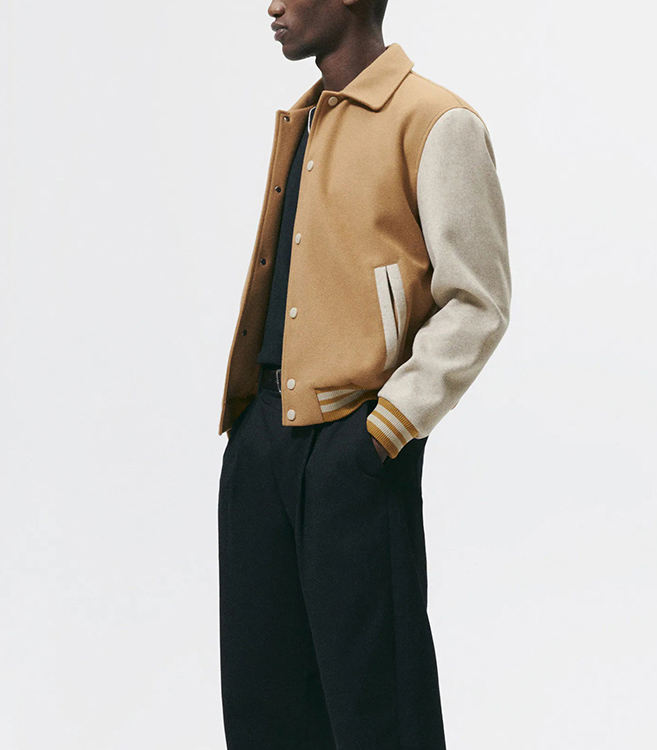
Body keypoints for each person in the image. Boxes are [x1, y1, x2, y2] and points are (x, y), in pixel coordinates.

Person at [216, 0, 512, 747]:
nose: (272, 7)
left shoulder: (435, 121)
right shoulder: (308, 117)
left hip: (354, 445)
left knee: (379, 712)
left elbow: (478, 301)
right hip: (261, 445)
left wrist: (384, 429)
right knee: (263, 708)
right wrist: (249, 435)